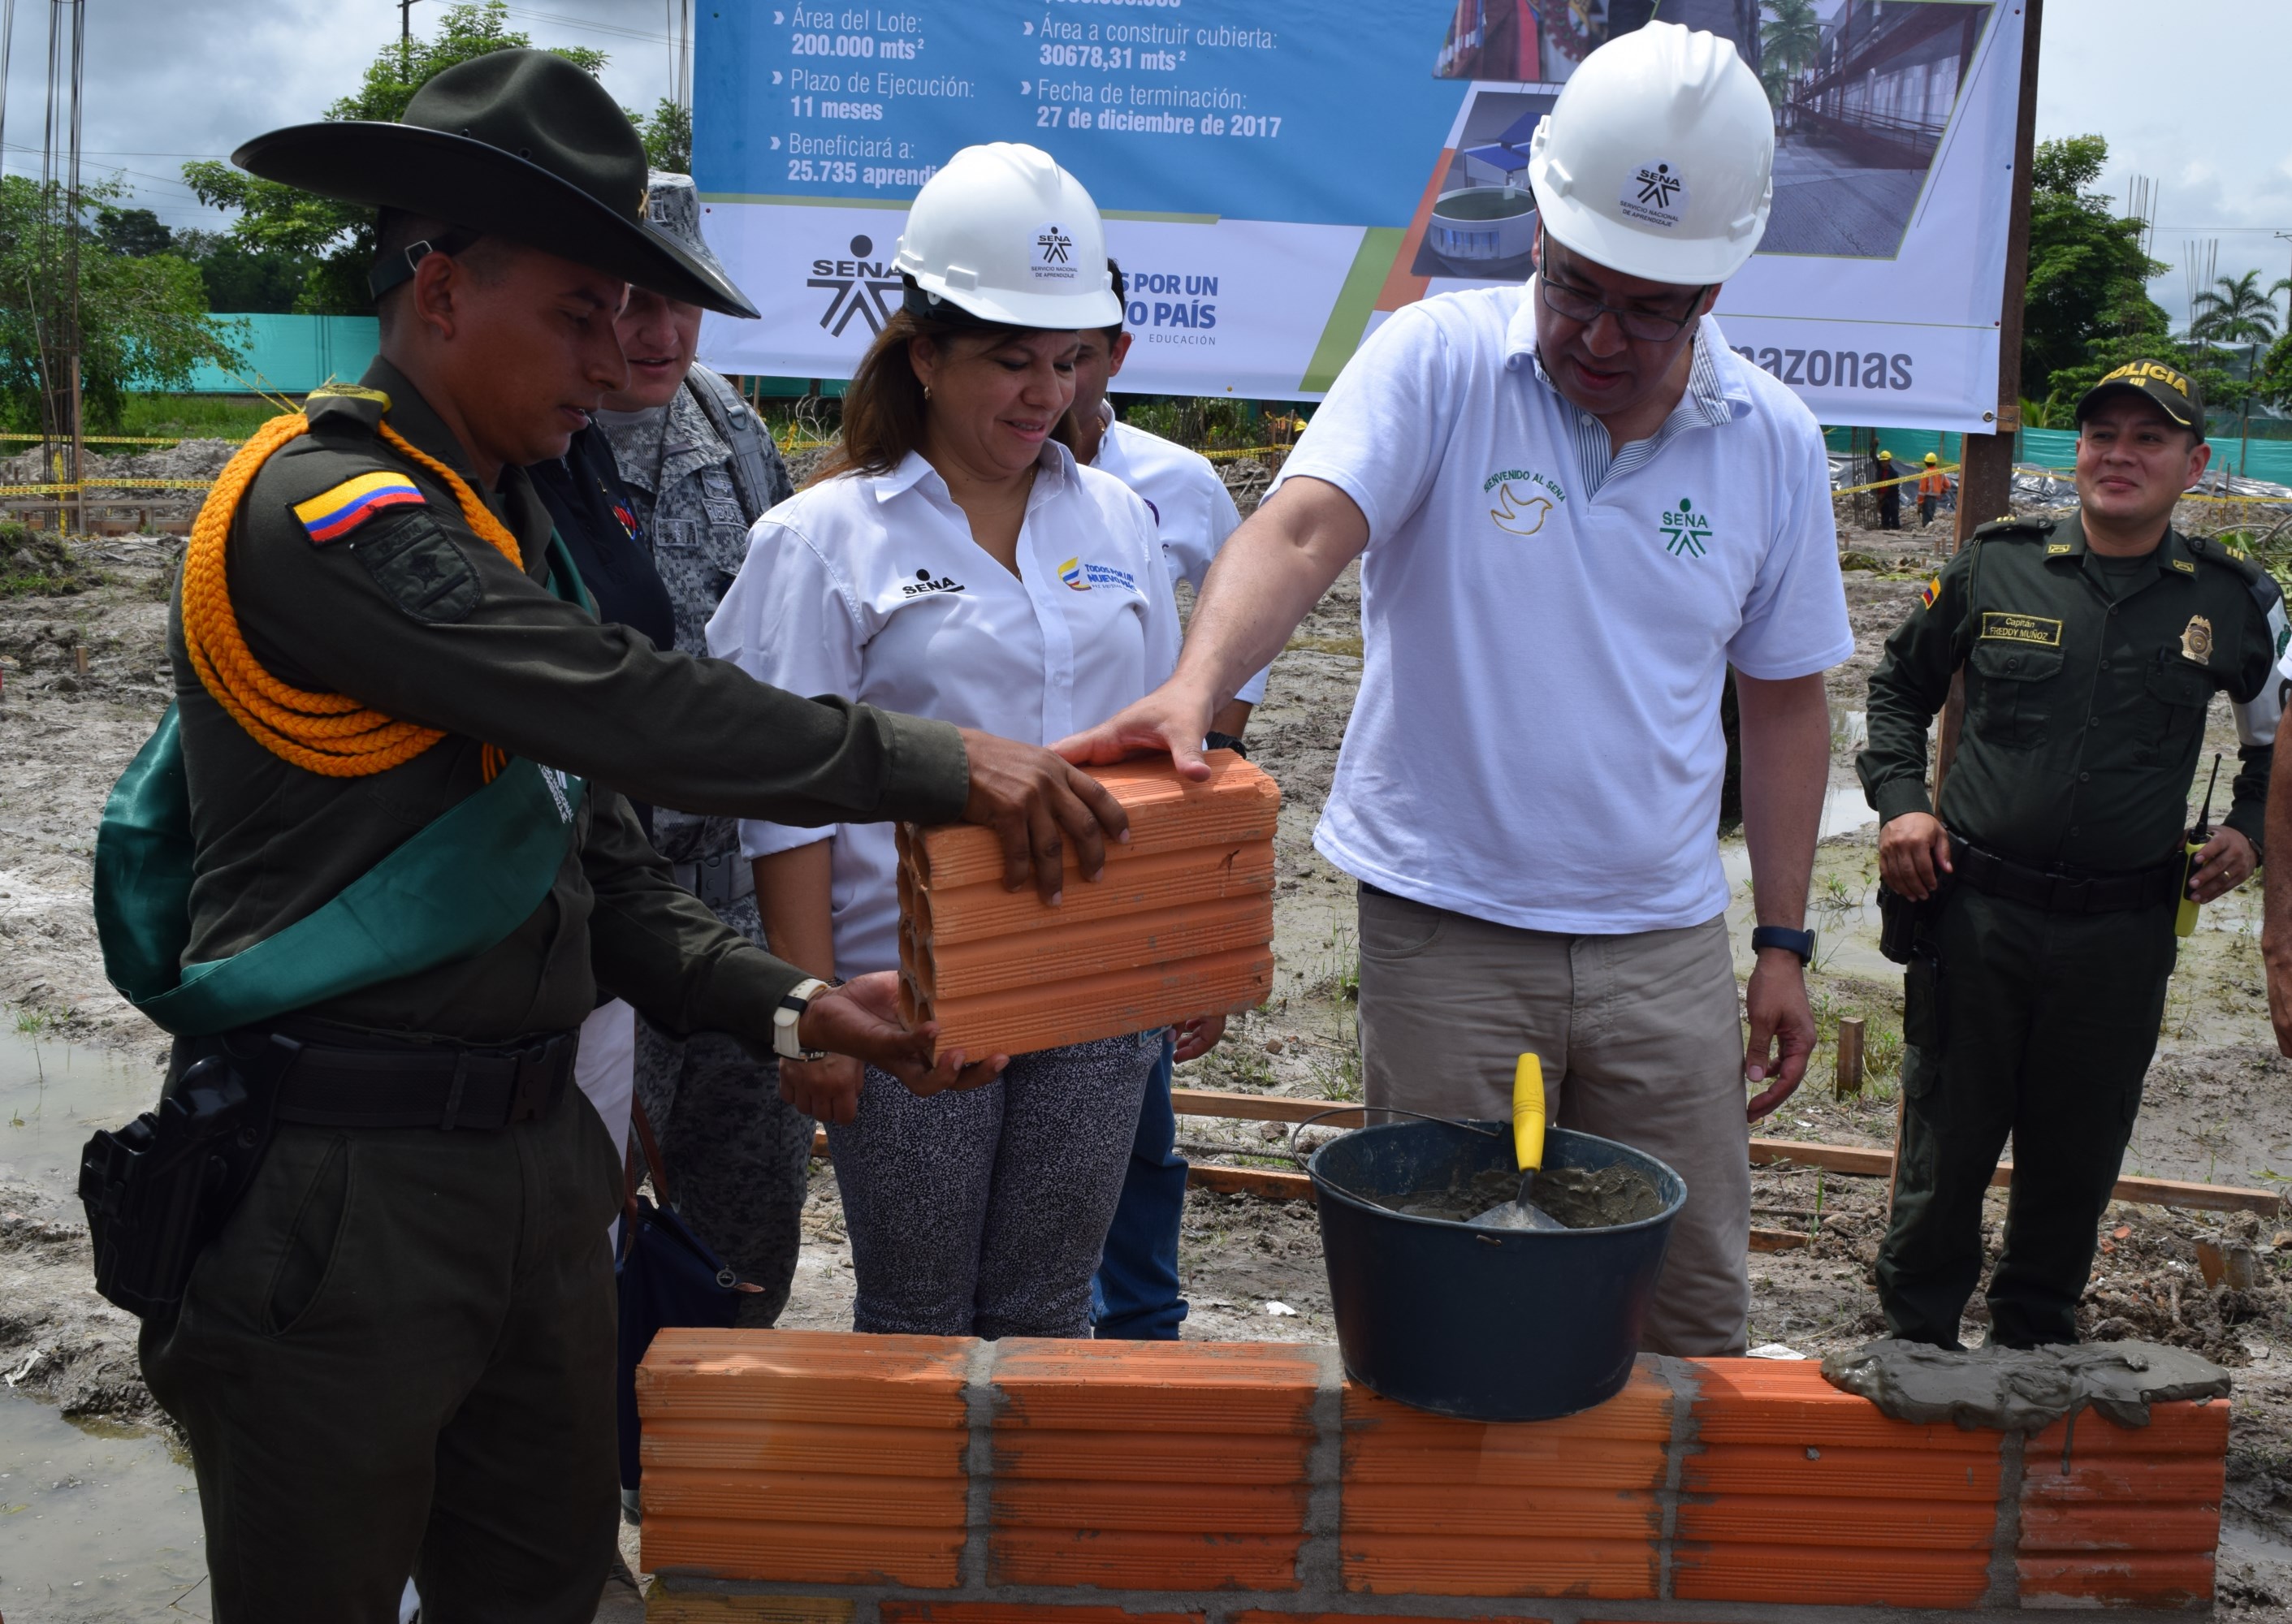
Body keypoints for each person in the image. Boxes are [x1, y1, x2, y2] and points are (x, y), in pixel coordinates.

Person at [129, 54, 1127, 1623]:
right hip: (345, 1182)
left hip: (539, 1168)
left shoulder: (515, 522)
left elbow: (603, 879)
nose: (616, 362)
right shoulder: (328, 513)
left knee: (546, 1583)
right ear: (444, 292)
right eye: (580, 313)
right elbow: (629, 710)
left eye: (627, 316)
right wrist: (938, 766)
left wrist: (797, 1006)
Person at [1058, 22, 1850, 1358]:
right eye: (1571, 284)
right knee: (1446, 1286)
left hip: (1657, 939)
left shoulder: (1768, 442)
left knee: (1686, 1305)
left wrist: (1780, 943)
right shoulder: (1436, 362)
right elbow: (1302, 526)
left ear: (1711, 292)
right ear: (1535, 234)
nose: (1597, 333)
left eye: (1645, 308)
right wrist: (1197, 682)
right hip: (1445, 926)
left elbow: (1782, 701)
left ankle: (1638, 1566)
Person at [710, 142, 1204, 1339]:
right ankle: (921, 1533)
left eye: (1067, 360)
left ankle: (1028, 1533)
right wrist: (808, 1008)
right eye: (1008, 360)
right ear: (924, 353)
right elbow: (785, 798)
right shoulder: (822, 541)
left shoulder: (1122, 523)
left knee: (1045, 1306)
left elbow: (1155, 763)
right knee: (922, 1309)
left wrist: (1177, 954)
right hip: (908, 989)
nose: (1043, 394)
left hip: (1088, 986)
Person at [1859, 358, 2279, 1349]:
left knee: (2075, 1155)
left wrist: (2249, 832)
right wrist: (1901, 804)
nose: (2117, 455)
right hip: (1974, 915)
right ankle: (1913, 1339)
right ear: (2078, 449)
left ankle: (2031, 1347)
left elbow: (2275, 746)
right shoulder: (1991, 563)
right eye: (2101, 434)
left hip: (2121, 934)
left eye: (2147, 438)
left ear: (2193, 462)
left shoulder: (2232, 599)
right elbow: (1893, 691)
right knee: (1943, 1146)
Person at [582, 171, 817, 1333]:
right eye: (625, 298)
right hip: (579, 906)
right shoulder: (530, 440)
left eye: (679, 300)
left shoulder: (729, 427)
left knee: (747, 1197)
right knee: (575, 1199)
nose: (656, 330)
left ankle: (699, 1459)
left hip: (731, 899)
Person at [1068, 257, 1268, 1340]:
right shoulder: (921, 487)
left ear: (1115, 355)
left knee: (1136, 1114)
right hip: (983, 849)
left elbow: (1225, 706)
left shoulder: (1173, 489)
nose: (1051, 384)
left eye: (1076, 356)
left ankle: (1139, 1323)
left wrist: (1199, 921)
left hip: (1132, 841)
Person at [1917, 451, 1953, 528]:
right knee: (1930, 517)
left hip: (1927, 499)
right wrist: (1942, 491)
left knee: (1927, 520)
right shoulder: (1940, 472)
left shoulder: (1925, 473)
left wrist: (1920, 503)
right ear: (1935, 462)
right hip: (1935, 499)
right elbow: (1948, 485)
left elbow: (1922, 490)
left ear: (1925, 462)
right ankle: (1929, 532)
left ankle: (1926, 534)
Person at [1875, 447, 1902, 530]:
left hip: (1892, 495)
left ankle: (1895, 527)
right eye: (1882, 461)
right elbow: (1873, 457)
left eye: (1885, 461)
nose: (1883, 463)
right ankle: (1885, 526)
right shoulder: (1880, 470)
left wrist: (1884, 494)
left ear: (1889, 461)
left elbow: (1894, 487)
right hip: (1882, 496)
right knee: (1884, 512)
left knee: (1894, 510)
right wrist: (1875, 446)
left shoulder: (1893, 473)